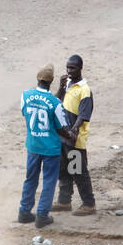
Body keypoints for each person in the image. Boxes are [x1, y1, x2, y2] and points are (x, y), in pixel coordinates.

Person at [19, 65, 66, 229]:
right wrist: (73, 137)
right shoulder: (56, 103)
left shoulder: (25, 96)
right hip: (50, 148)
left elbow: (24, 113)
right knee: (49, 181)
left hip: (33, 145)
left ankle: (24, 212)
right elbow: (61, 127)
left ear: (38, 79)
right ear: (51, 81)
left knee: (30, 178)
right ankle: (42, 215)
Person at [51, 55, 95, 216]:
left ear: (80, 68)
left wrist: (73, 131)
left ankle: (89, 204)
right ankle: (64, 201)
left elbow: (83, 115)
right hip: (62, 137)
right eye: (67, 67)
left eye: (72, 68)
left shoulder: (85, 90)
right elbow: (55, 103)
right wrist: (61, 88)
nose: (69, 71)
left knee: (78, 171)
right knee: (63, 170)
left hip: (74, 141)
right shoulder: (68, 85)